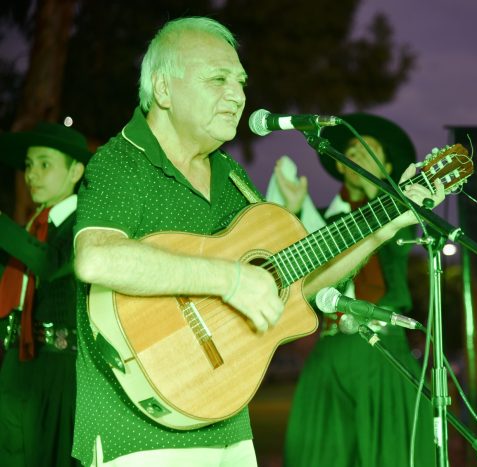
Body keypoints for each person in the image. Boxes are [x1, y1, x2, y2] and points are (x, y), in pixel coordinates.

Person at [71, 17, 443, 466]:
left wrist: (385, 225)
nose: (237, 95)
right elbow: (96, 260)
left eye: (241, 82)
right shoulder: (120, 163)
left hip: (231, 426)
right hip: (136, 436)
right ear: (164, 90)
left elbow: (299, 284)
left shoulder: (233, 180)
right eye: (218, 79)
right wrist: (230, 280)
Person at [268, 113, 437, 466]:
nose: (358, 154)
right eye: (352, 151)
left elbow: (394, 250)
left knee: (392, 454)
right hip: (329, 351)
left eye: (370, 150)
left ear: (386, 165)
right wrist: (295, 210)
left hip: (384, 350)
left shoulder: (404, 218)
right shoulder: (325, 222)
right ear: (341, 168)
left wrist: (385, 191)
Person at [0, 122, 92, 467]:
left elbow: (52, 263)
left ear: (75, 171)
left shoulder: (84, 223)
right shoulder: (31, 226)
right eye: (27, 165)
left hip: (60, 372)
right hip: (18, 365)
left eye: (44, 164)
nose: (32, 174)